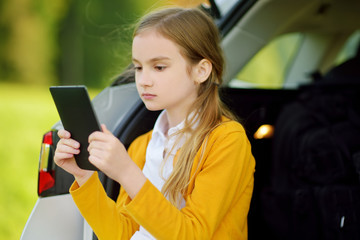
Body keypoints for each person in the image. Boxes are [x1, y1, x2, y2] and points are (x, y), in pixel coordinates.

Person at [54, 7, 255, 240]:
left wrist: (126, 171)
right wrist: (84, 177)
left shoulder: (226, 140)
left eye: (159, 67)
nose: (144, 81)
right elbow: (121, 234)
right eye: (138, 67)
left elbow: (193, 234)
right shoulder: (142, 145)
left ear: (201, 71)